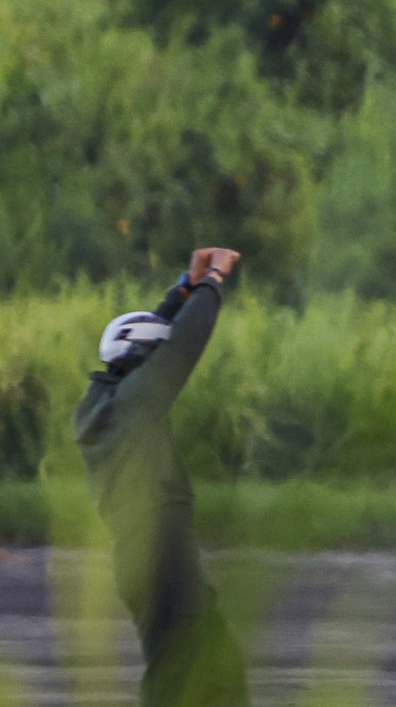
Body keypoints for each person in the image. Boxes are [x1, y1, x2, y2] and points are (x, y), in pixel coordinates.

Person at [75, 247, 251, 707]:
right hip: (161, 551)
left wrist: (182, 289)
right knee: (177, 667)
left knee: (218, 660)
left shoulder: (97, 403)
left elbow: (147, 342)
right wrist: (213, 281)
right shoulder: (138, 406)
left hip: (142, 552)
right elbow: (180, 346)